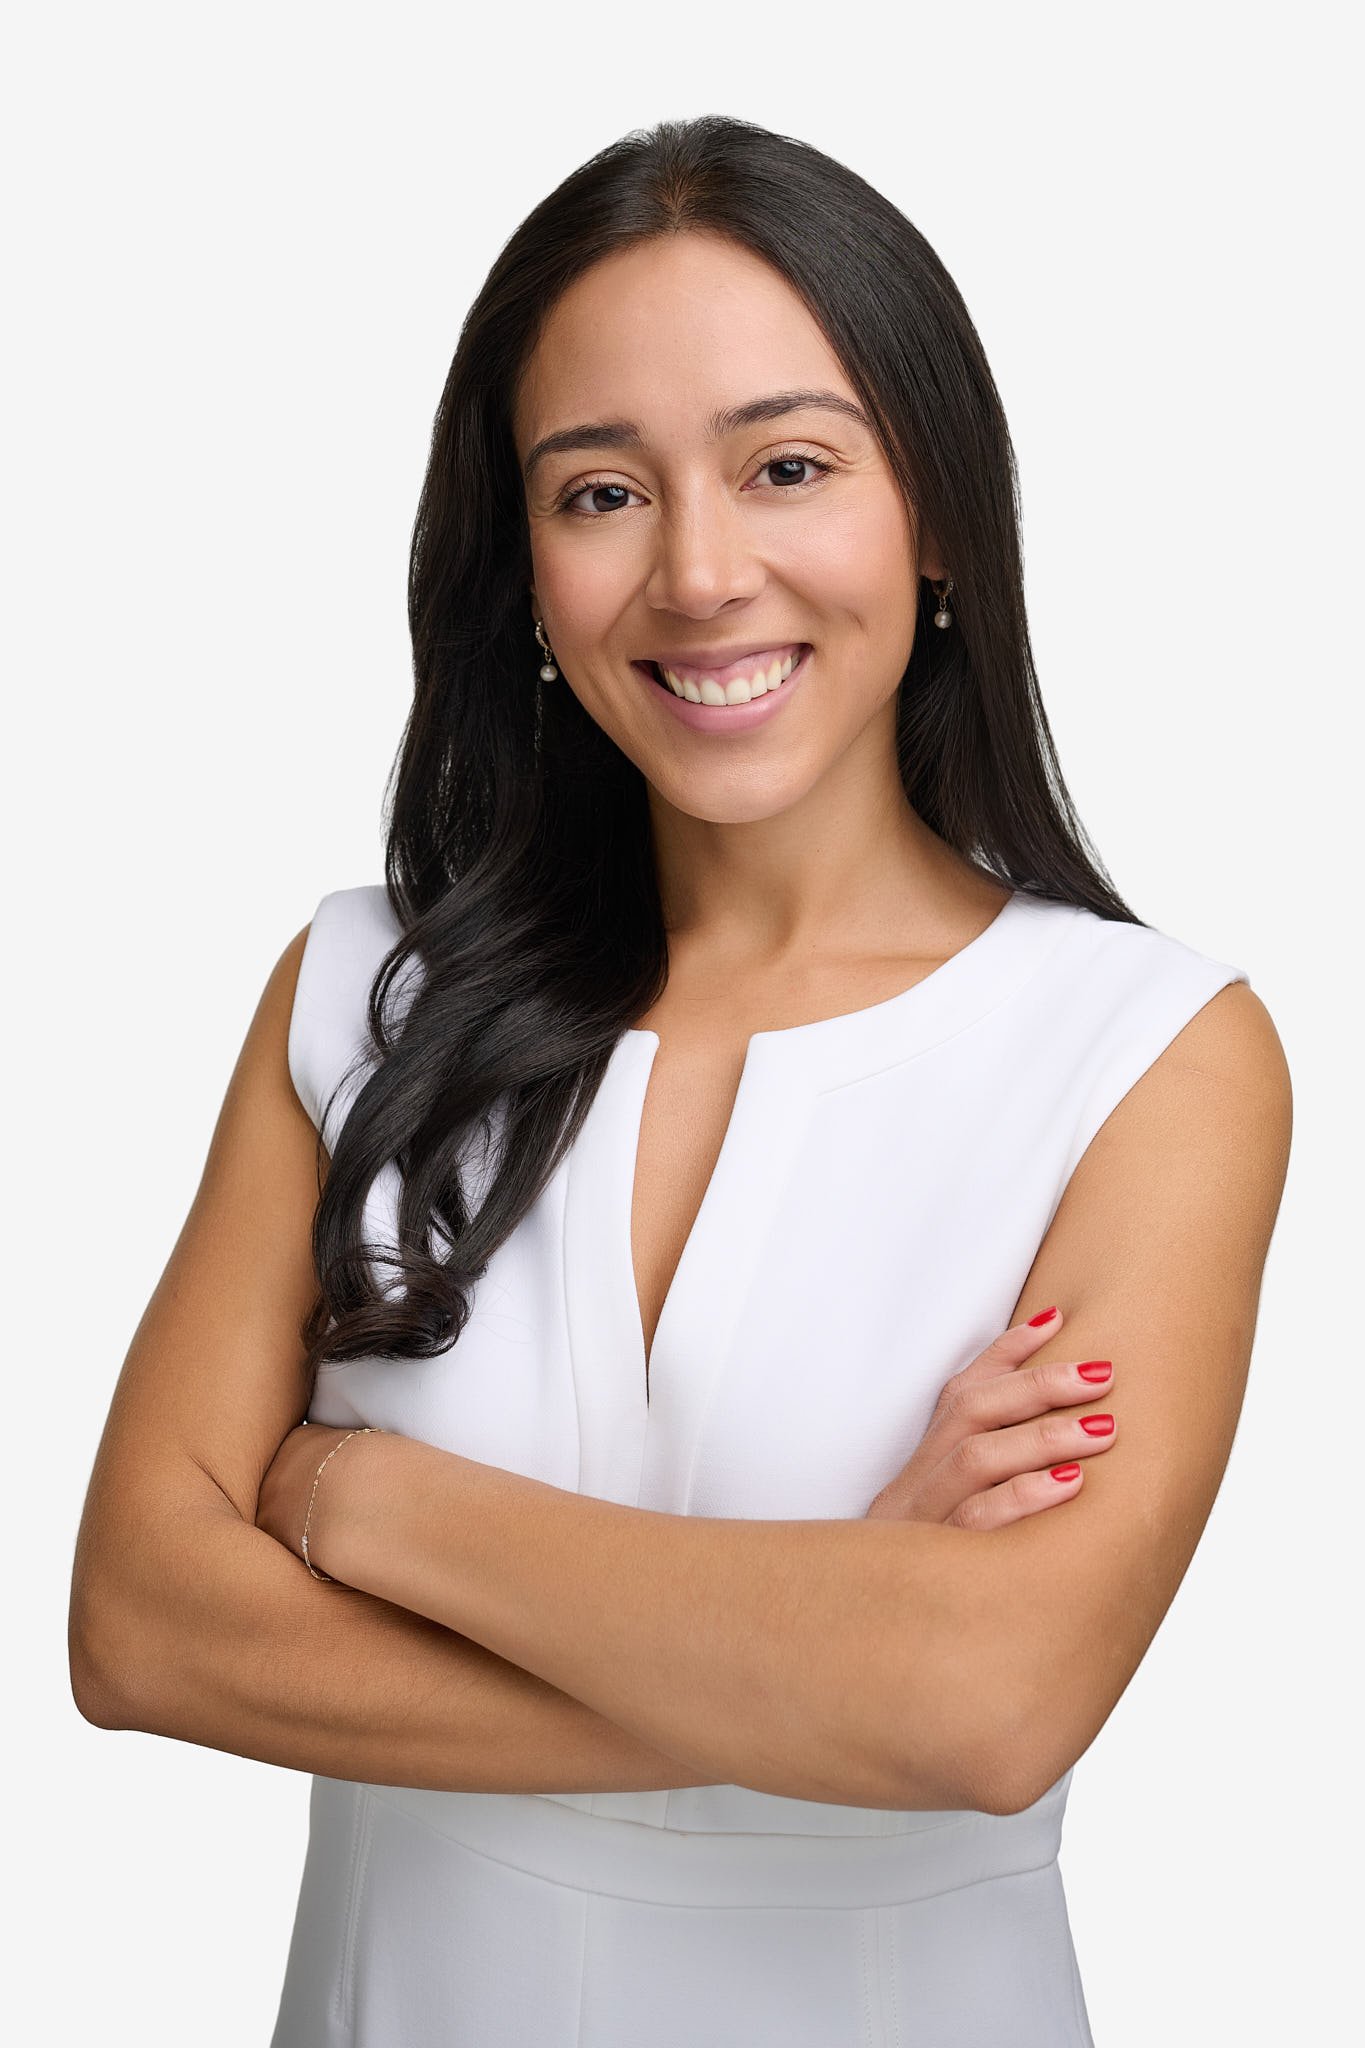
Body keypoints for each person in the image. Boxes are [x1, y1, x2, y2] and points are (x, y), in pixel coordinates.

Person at [68, 114, 1292, 2047]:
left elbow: (983, 1709)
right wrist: (822, 1648)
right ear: (523, 566)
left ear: (939, 518)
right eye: (598, 493)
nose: (700, 573)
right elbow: (139, 1631)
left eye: (788, 466)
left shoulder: (1146, 1054)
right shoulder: (355, 995)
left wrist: (366, 1506)